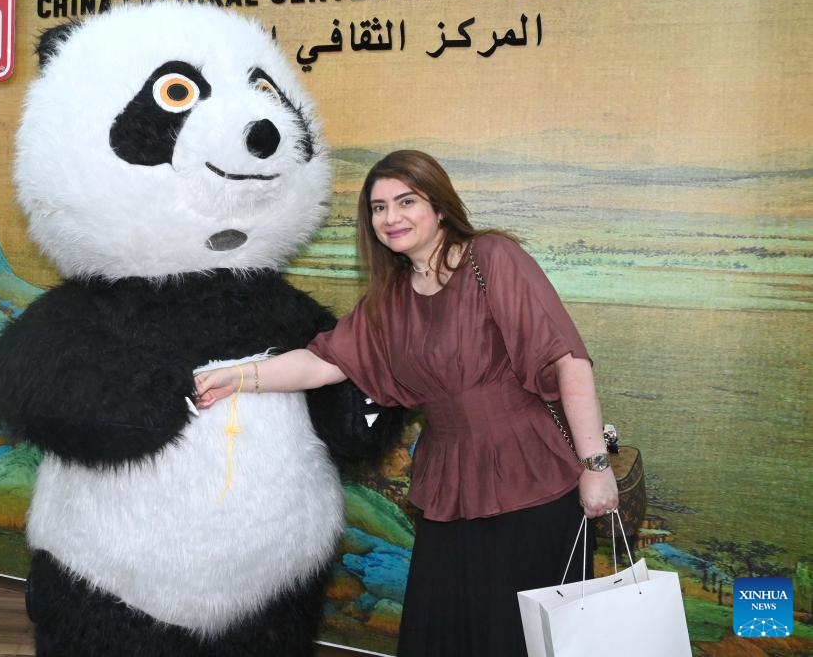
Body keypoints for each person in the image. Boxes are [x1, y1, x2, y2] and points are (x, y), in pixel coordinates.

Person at [194, 149, 619, 657]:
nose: (391, 217)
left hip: (531, 477)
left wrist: (595, 467)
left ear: (438, 207)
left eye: (406, 201)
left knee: (519, 636)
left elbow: (569, 361)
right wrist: (238, 376)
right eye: (378, 207)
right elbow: (321, 363)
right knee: (446, 634)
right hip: (449, 484)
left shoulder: (492, 257)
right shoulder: (390, 298)